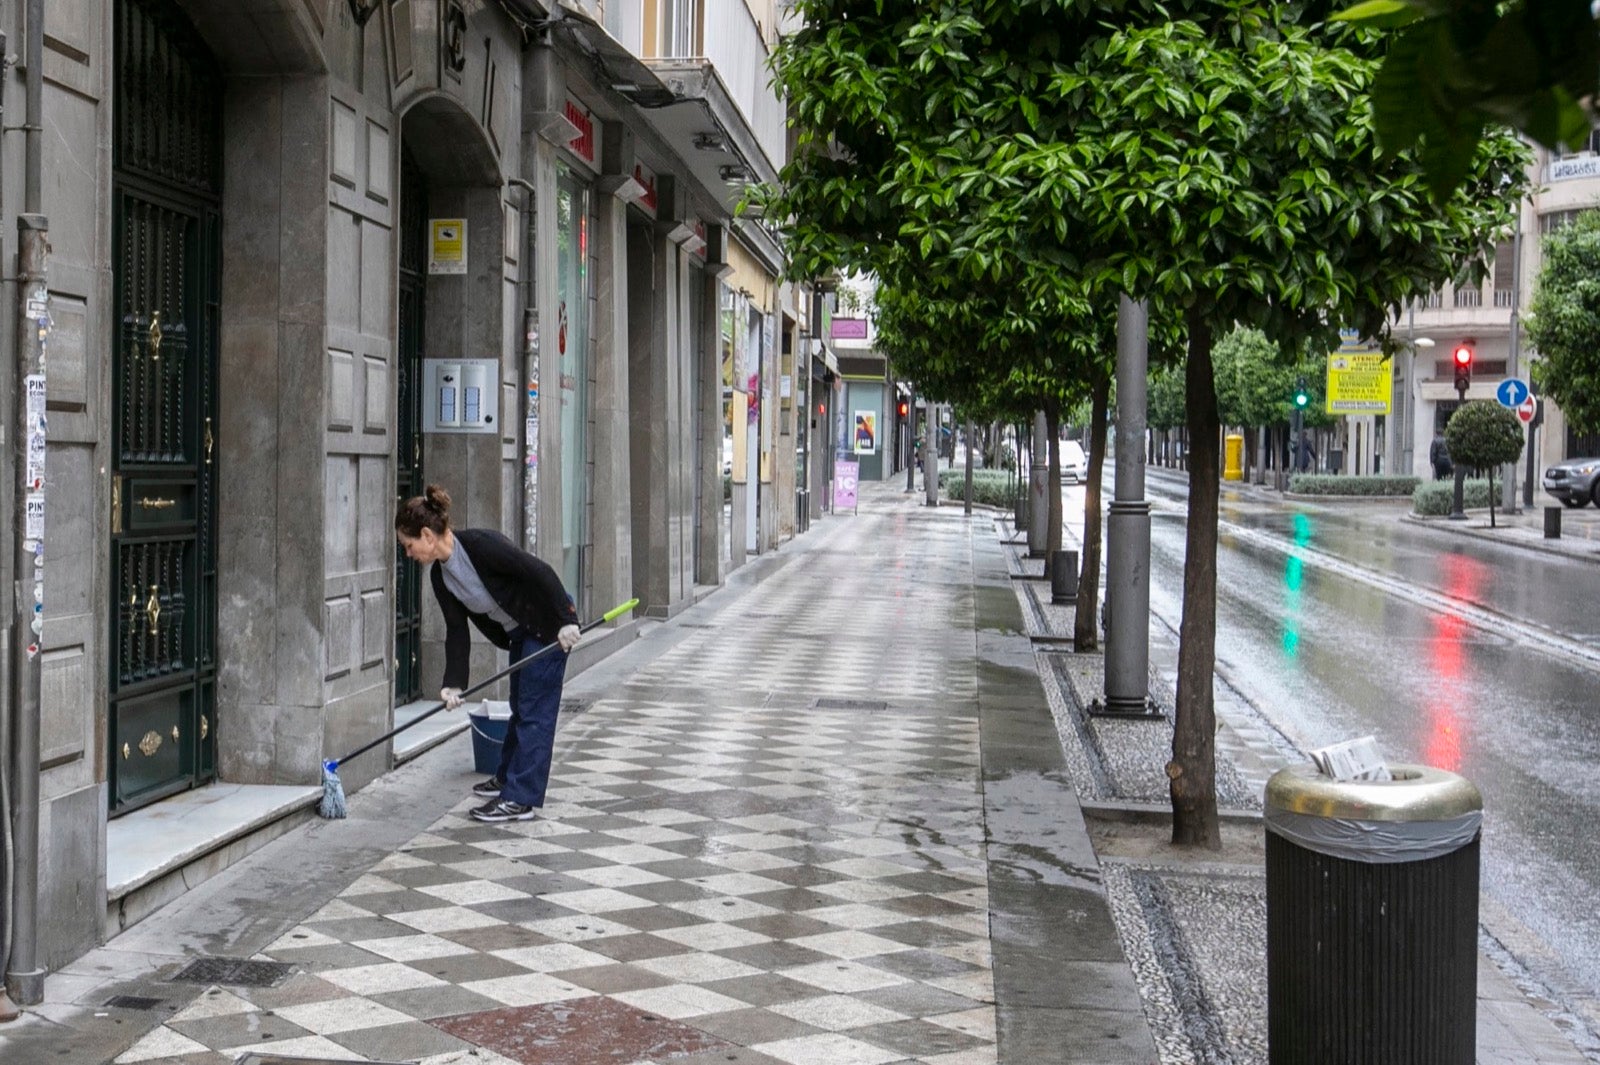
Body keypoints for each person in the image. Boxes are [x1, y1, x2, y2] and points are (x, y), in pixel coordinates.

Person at [396, 485, 580, 823]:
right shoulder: (441, 576)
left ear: (426, 535)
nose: (408, 554)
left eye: (408, 546)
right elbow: (456, 630)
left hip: (547, 624)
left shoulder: (481, 545)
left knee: (535, 712)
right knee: (519, 707)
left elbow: (539, 571)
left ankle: (520, 799)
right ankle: (508, 778)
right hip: (519, 632)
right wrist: (453, 685)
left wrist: (568, 619)